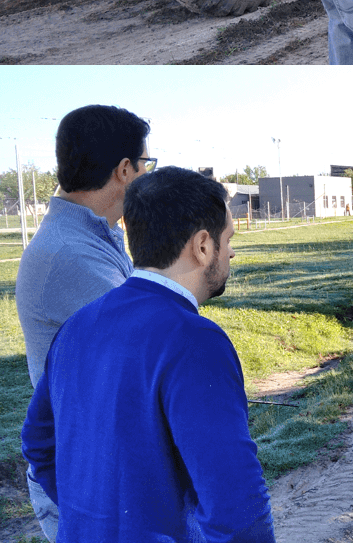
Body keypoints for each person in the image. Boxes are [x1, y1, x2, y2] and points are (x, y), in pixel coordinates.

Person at [22, 167, 276, 543]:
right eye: (229, 238)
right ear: (203, 246)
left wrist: (98, 521)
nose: (232, 251)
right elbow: (237, 505)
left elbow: (39, 446)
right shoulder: (195, 340)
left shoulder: (76, 326)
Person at [15, 104, 152, 541]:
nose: (148, 174)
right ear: (125, 170)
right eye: (147, 164)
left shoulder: (96, 234)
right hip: (85, 473)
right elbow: (148, 343)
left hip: (97, 461)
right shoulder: (71, 255)